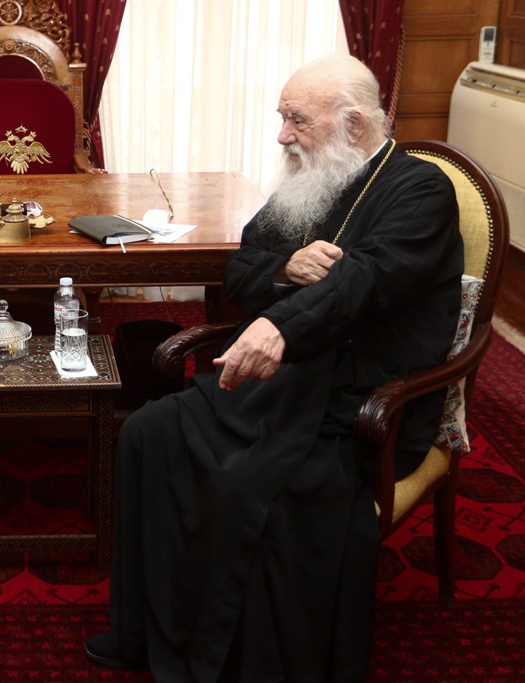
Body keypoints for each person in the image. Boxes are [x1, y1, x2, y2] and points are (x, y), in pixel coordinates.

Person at [85, 54, 463, 681]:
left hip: (358, 398)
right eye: (282, 118)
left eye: (297, 120)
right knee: (146, 433)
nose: (283, 135)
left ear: (353, 124)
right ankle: (145, 632)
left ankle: (232, 660)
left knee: (243, 483)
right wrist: (285, 269)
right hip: (280, 384)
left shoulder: (420, 190)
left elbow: (366, 282)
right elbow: (240, 268)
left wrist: (281, 326)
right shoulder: (308, 179)